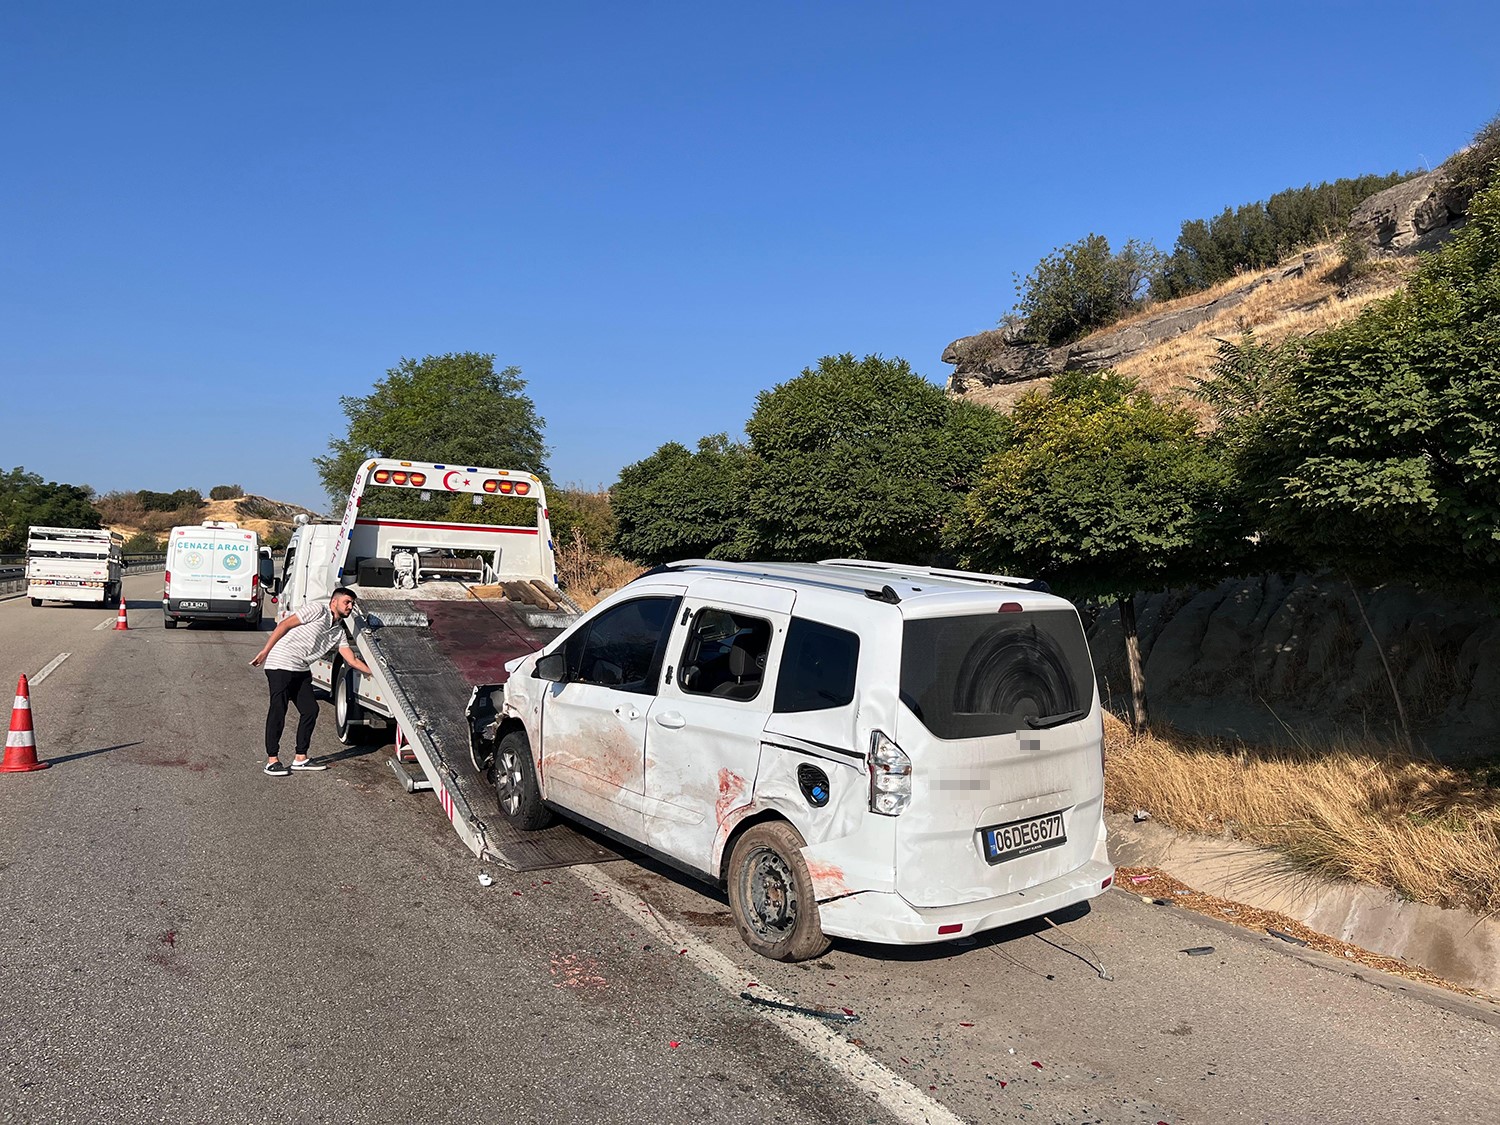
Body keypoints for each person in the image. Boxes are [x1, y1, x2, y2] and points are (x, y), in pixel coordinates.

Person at [249, 586, 372, 776]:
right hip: (281, 663)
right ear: (334, 602)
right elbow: (284, 625)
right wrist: (265, 651)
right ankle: (272, 760)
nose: (349, 607)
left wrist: (375, 673)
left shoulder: (338, 632)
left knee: (311, 710)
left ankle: (300, 757)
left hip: (301, 669)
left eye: (352, 604)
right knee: (278, 710)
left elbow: (352, 660)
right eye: (347, 602)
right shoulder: (317, 610)